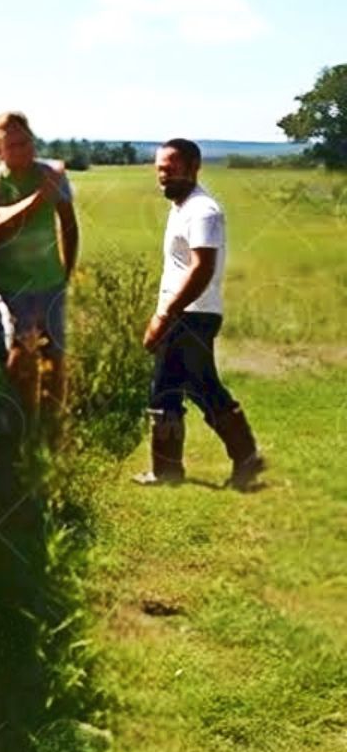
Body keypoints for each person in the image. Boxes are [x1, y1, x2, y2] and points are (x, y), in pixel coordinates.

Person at [133, 138, 266, 490]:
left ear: (193, 168)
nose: (163, 175)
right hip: (187, 312)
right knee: (188, 388)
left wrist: (165, 315)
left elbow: (201, 269)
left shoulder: (201, 210)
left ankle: (177, 470)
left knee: (174, 389)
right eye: (160, 169)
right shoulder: (183, 207)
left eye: (171, 169)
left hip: (190, 314)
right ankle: (234, 460)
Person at [0, 111, 79, 434]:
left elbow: (69, 224)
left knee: (54, 357)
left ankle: (50, 429)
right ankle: (21, 427)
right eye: (14, 145)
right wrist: (36, 200)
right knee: (19, 360)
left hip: (49, 283)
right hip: (6, 287)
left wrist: (66, 271)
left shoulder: (51, 176)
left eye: (27, 142)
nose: (24, 150)